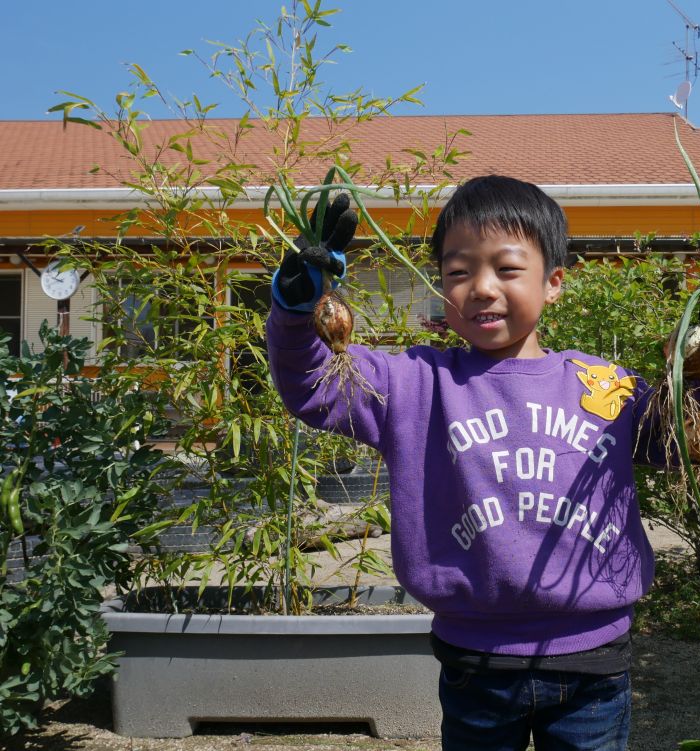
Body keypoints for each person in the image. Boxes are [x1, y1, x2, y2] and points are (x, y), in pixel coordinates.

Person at [267, 174, 668, 750]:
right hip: (476, 663)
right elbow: (312, 383)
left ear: (553, 282)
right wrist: (295, 306)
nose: (481, 288)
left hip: (593, 661)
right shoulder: (415, 384)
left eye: (507, 269)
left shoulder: (603, 385)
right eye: (458, 272)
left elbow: (692, 441)